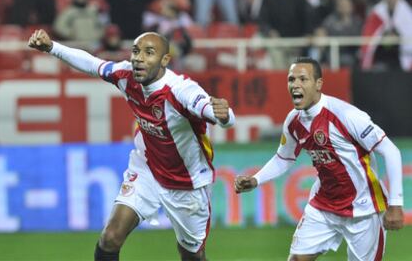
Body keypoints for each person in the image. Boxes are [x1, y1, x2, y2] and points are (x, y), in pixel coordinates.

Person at [28, 29, 235, 261]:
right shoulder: (125, 75)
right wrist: (51, 47)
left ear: (165, 60)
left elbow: (212, 110)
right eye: (136, 51)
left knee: (191, 255)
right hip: (146, 169)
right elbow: (92, 64)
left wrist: (224, 116)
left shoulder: (181, 90)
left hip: (187, 183)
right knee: (110, 237)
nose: (139, 58)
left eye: (149, 53)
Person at [235, 57, 404, 260]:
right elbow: (284, 158)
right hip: (324, 206)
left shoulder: (346, 115)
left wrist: (395, 204)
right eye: (291, 79)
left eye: (303, 79)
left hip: (364, 209)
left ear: (318, 84)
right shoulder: (293, 121)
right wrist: (256, 179)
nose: (295, 85)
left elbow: (391, 151)